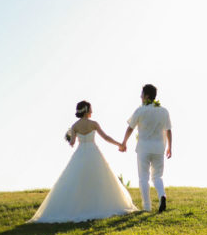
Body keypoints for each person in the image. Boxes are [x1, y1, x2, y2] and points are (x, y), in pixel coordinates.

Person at [29, 101, 137, 223]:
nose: (92, 111)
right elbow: (106, 137)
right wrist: (120, 144)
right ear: (86, 111)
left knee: (78, 180)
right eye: (91, 109)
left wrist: (69, 136)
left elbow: (72, 143)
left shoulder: (74, 126)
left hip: (80, 154)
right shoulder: (94, 124)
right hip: (93, 152)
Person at [120, 84, 172, 213]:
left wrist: (124, 142)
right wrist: (170, 147)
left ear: (147, 96)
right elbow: (168, 130)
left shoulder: (140, 110)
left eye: (142, 94)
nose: (140, 96)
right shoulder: (163, 111)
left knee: (143, 177)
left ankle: (147, 207)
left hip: (143, 148)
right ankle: (162, 196)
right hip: (159, 148)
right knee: (157, 176)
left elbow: (130, 128)